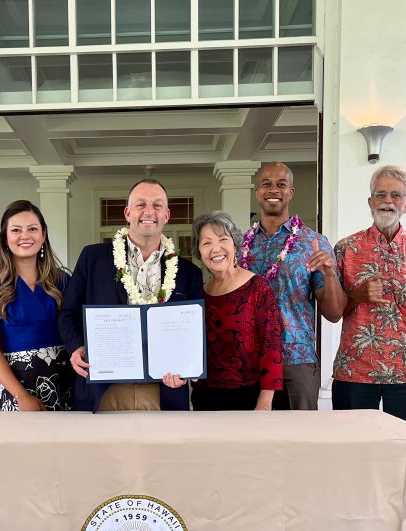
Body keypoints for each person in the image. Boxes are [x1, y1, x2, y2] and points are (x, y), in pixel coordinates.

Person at [59, 178, 203, 411]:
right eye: (140, 204)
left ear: (167, 215)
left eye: (157, 205)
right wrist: (76, 347)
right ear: (127, 213)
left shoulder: (189, 273)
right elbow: (68, 313)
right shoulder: (92, 258)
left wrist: (187, 369)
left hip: (163, 393)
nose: (149, 211)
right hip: (104, 389)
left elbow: (194, 334)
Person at [333, 165, 406, 426]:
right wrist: (357, 296)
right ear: (370, 202)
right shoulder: (346, 249)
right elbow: (332, 311)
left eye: (396, 195)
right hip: (354, 370)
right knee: (352, 444)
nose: (387, 201)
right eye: (380, 195)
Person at [240, 162, 345, 410]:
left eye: (281, 184)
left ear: (291, 192)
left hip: (296, 358)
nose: (273, 190)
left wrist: (329, 274)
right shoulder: (240, 245)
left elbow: (334, 313)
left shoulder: (313, 243)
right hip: (249, 359)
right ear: (257, 192)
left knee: (300, 432)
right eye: (266, 184)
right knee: (249, 431)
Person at [0, 200, 73, 411]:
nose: (25, 236)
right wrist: (21, 395)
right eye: (16, 230)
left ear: (43, 235)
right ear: (5, 238)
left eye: (32, 229)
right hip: (16, 386)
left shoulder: (63, 280)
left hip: (64, 380)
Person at [190, 211, 284, 411]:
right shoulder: (199, 294)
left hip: (249, 397)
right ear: (199, 251)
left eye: (223, 239)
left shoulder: (257, 287)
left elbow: (272, 346)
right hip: (204, 398)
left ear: (235, 245)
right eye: (206, 243)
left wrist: (265, 401)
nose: (216, 249)